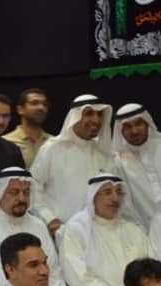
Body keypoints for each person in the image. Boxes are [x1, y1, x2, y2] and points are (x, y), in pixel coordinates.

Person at [31, 94, 115, 236]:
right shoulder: (52, 148)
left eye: (100, 114)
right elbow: (33, 187)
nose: (96, 120)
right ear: (75, 116)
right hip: (61, 233)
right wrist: (49, 219)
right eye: (89, 113)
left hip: (99, 233)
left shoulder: (104, 152)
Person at [111, 103, 161, 227]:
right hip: (147, 230)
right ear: (120, 131)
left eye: (138, 123)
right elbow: (125, 206)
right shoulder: (117, 162)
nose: (134, 131)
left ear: (147, 123)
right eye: (127, 127)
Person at [4, 88, 52, 168]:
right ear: (20, 109)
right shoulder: (6, 142)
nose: (41, 107)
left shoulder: (54, 142)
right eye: (34, 103)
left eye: (45, 104)